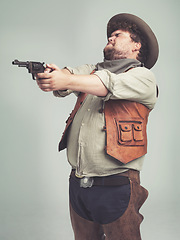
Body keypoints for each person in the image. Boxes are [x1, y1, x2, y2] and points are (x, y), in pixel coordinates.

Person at [36, 13, 159, 240]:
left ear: (136, 45)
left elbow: (107, 84)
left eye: (117, 35)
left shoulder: (143, 77)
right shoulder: (92, 71)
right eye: (110, 35)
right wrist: (54, 75)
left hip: (117, 183)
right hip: (78, 184)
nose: (110, 38)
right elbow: (69, 77)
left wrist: (67, 80)